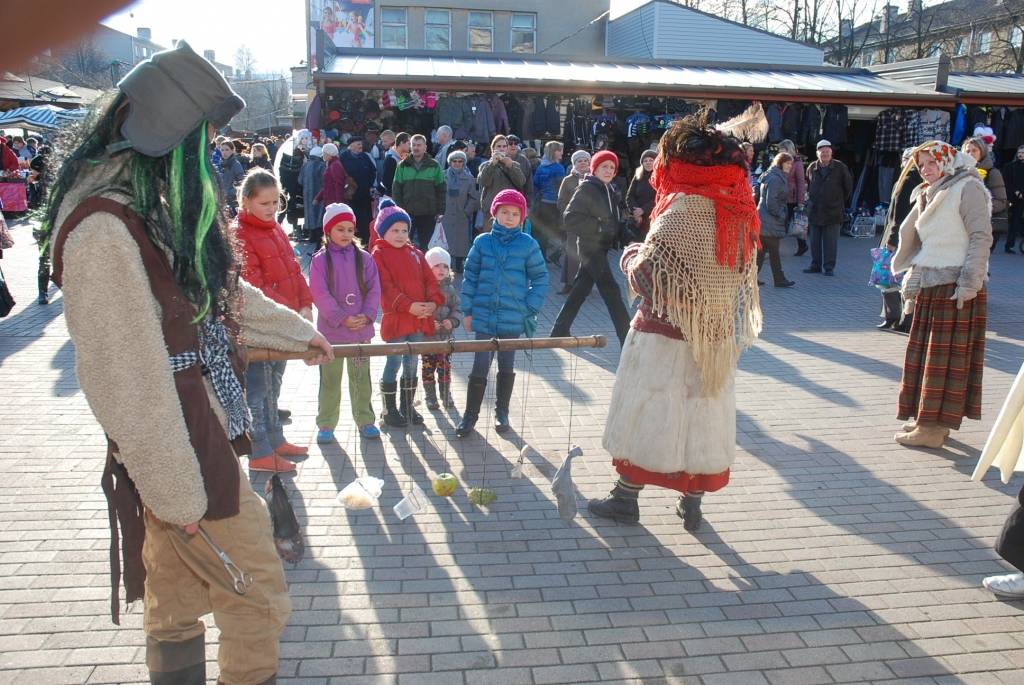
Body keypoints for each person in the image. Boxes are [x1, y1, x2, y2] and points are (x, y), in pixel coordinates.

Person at [42, 41, 331, 685]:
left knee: (173, 601)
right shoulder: (102, 228)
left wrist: (297, 332)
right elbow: (127, 380)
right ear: (167, 138)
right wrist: (179, 498)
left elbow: (210, 294)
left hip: (179, 441)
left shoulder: (141, 205)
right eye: (199, 139)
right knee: (257, 598)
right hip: (176, 451)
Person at [590, 111, 762, 529]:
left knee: (647, 410)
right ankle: (693, 502)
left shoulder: (682, 208)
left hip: (664, 335)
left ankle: (626, 499)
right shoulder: (739, 212)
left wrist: (631, 255)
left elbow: (650, 277)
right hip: (715, 334)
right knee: (701, 415)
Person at [892, 141, 992, 449]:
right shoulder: (930, 190)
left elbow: (980, 236)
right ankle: (928, 419)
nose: (925, 169)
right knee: (925, 359)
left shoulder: (968, 187)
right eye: (921, 164)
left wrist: (969, 283)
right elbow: (926, 243)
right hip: (932, 284)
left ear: (947, 161)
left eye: (931, 163)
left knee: (944, 360)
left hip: (955, 286)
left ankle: (934, 427)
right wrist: (915, 276)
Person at [235, 169, 316, 473]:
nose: (271, 209)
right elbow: (254, 288)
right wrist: (290, 317)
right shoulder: (239, 233)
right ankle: (259, 452)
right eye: (264, 203)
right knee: (257, 391)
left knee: (274, 386)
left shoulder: (276, 229)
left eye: (275, 202)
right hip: (260, 330)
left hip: (284, 325)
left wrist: (306, 304)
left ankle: (275, 439)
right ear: (246, 202)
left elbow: (294, 271)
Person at [457, 189, 548, 437]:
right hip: (484, 316)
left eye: (514, 213)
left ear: (522, 217)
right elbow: (470, 277)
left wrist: (530, 306)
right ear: (494, 213)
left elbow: (540, 277)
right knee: (480, 366)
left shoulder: (528, 244)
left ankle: (502, 411)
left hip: (512, 317)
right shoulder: (482, 242)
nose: (509, 217)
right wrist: (467, 310)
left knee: (506, 366)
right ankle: (470, 415)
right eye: (504, 212)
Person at [310, 203, 382, 443]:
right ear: (328, 231)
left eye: (350, 229)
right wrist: (341, 317)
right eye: (339, 229)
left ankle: (365, 419)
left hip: (361, 332)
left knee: (362, 379)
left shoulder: (365, 258)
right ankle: (326, 423)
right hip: (332, 334)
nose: (345, 234)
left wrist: (368, 314)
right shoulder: (320, 260)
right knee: (330, 381)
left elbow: (374, 290)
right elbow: (319, 294)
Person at [370, 199, 446, 427]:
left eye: (404, 230)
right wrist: (408, 305)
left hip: (419, 319)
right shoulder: (378, 254)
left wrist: (433, 302)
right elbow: (385, 286)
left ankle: (407, 406)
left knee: (412, 362)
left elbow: (429, 281)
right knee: (393, 362)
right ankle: (389, 409)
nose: (400, 234)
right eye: (394, 230)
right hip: (397, 319)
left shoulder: (415, 253)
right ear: (383, 232)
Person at [549, 150, 631, 346]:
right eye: (604, 166)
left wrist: (624, 235)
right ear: (595, 168)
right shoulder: (587, 188)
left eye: (612, 167)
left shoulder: (607, 189)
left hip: (600, 247)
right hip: (590, 247)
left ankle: (558, 330)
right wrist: (599, 227)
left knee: (580, 290)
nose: (609, 170)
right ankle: (627, 338)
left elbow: (611, 219)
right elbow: (570, 219)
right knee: (612, 291)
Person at [878, 147, 921, 332]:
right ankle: (893, 316)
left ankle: (902, 318)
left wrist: (892, 238)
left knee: (893, 278)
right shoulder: (902, 179)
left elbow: (900, 214)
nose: (905, 162)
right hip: (893, 233)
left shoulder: (911, 180)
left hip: (900, 236)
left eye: (909, 159)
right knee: (888, 278)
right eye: (904, 158)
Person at [421, 246, 462, 410]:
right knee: (427, 368)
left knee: (445, 367)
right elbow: (420, 310)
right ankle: (430, 397)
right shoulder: (422, 288)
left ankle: (446, 394)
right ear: (428, 267)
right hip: (427, 339)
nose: (442, 269)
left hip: (445, 338)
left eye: (445, 266)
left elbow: (457, 308)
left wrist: (452, 321)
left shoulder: (450, 289)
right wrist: (428, 322)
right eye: (437, 265)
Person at [803, 139, 852, 276]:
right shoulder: (812, 167)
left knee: (830, 243)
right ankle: (815, 265)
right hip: (815, 210)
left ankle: (829, 267)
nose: (825, 154)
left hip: (833, 211)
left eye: (827, 152)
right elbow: (807, 185)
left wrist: (838, 201)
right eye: (822, 152)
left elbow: (848, 187)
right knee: (814, 242)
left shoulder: (840, 167)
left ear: (831, 153)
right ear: (817, 153)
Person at [391, 133, 446, 251]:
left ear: (425, 147)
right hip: (407, 213)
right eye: (414, 145)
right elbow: (396, 190)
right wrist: (400, 210)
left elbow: (441, 190)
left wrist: (440, 210)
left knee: (427, 247)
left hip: (428, 213)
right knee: (404, 246)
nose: (416, 148)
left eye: (419, 145)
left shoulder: (434, 165)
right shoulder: (402, 166)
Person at [961, 136, 1009, 253]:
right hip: (962, 227)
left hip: (983, 228)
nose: (970, 154)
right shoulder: (958, 172)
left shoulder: (992, 173)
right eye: (967, 151)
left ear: (982, 152)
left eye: (974, 150)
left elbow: (1001, 201)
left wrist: (979, 208)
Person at [756, 152, 796, 288]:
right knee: (773, 251)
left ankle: (751, 278)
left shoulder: (772, 175)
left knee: (762, 252)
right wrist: (780, 214)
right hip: (770, 220)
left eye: (791, 163)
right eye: (788, 163)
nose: (790, 166)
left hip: (764, 218)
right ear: (780, 163)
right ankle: (779, 279)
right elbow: (771, 201)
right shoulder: (776, 179)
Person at [557, 149, 591, 295]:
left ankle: (584, 284)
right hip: (573, 223)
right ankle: (569, 283)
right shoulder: (568, 180)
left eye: (585, 160)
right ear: (574, 164)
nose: (582, 163)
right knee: (571, 253)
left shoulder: (594, 178)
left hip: (590, 223)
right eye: (579, 161)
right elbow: (561, 201)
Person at [477, 135, 527, 231]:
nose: (502, 149)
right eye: (499, 146)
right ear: (493, 148)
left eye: (504, 146)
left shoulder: (514, 164)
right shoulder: (485, 165)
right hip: (492, 210)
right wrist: (492, 165)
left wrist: (510, 166)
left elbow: (521, 182)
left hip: (510, 209)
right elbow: (483, 182)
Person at [441, 150, 480, 273]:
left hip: (461, 214)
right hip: (446, 214)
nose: (457, 164)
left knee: (460, 242)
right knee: (445, 241)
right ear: (450, 162)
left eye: (460, 161)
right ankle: (444, 265)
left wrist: (466, 211)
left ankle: (458, 265)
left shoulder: (469, 178)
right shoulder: (442, 176)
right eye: (454, 161)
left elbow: (474, 197)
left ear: (464, 163)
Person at [532, 140, 567, 263]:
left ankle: (542, 255)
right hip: (555, 203)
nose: (562, 152)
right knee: (561, 231)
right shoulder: (558, 168)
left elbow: (535, 183)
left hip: (543, 203)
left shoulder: (541, 166)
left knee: (543, 232)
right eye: (559, 150)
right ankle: (555, 254)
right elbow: (562, 187)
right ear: (554, 152)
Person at [340, 136, 377, 244]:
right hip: (352, 196)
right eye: (358, 144)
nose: (361, 146)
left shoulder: (365, 157)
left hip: (365, 195)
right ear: (351, 146)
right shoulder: (344, 157)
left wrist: (369, 183)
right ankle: (354, 242)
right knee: (353, 219)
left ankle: (366, 242)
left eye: (361, 144)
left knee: (366, 220)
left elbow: (373, 171)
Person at [778, 139, 808, 256]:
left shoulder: (797, 163)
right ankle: (802, 245)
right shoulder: (780, 162)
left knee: (794, 223)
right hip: (782, 196)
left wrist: (800, 201)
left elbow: (801, 182)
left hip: (792, 198)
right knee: (784, 222)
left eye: (783, 150)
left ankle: (802, 245)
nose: (780, 153)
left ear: (789, 150)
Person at [316, 142, 348, 245]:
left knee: (330, 226)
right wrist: (318, 197)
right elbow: (328, 185)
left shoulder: (335, 166)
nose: (323, 156)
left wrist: (339, 204)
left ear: (330, 154)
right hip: (330, 201)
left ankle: (323, 248)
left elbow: (338, 185)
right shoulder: (333, 164)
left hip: (333, 202)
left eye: (324, 153)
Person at [626, 149, 657, 240]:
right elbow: (629, 196)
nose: (648, 163)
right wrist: (635, 212)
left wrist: (643, 210)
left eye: (651, 160)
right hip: (638, 219)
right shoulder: (638, 176)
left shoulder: (660, 176)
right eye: (645, 161)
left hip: (653, 217)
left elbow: (660, 198)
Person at [298, 145, 326, 243]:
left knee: (309, 214)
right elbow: (325, 181)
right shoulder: (322, 165)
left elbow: (300, 180)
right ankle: (319, 237)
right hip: (319, 194)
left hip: (307, 194)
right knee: (319, 214)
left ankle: (312, 236)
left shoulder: (305, 165)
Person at [1005, 145, 1024, 253]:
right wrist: (1016, 192)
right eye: (1020, 152)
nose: (1021, 154)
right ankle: (1009, 245)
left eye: (1023, 152)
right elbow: (1007, 182)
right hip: (1015, 198)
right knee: (1014, 222)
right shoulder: (1010, 166)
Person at [217, 139, 245, 213]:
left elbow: (241, 182)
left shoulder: (236, 164)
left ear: (232, 150)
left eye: (227, 150)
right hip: (222, 200)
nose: (224, 152)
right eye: (222, 150)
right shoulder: (220, 164)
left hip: (233, 201)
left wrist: (230, 192)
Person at [379, 131, 409, 196]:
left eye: (385, 141)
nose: (383, 144)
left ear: (392, 141)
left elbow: (386, 182)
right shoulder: (405, 155)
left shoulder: (390, 158)